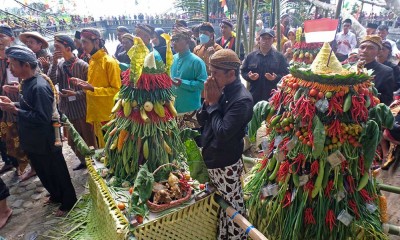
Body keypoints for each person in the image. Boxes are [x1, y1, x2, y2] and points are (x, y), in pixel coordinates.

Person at [0, 45, 77, 216]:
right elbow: (30, 107)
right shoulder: (26, 82)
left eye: (13, 64)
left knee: (56, 170)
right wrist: (13, 104)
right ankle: (56, 195)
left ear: (26, 65)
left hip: (46, 138)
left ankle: (69, 201)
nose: (10, 68)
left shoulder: (39, 87)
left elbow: (42, 118)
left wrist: (15, 110)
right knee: (43, 170)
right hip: (33, 138)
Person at [196, 49, 253, 240]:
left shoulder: (242, 100)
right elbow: (202, 120)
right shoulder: (218, 89)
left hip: (225, 162)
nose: (211, 77)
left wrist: (213, 104)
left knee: (233, 205)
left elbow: (222, 134)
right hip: (213, 158)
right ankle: (223, 235)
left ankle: (238, 237)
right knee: (223, 204)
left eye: (214, 73)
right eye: (210, 72)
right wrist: (207, 101)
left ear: (231, 74)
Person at [48, 34, 97, 170]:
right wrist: (53, 63)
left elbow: (91, 89)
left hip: (82, 109)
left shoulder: (83, 66)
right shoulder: (60, 64)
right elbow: (52, 82)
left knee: (88, 139)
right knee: (72, 141)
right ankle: (84, 161)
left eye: (58, 47)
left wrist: (76, 94)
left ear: (68, 48)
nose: (55, 50)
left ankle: (95, 164)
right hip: (67, 110)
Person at [70, 28, 121, 148]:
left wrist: (92, 88)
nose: (83, 46)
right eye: (82, 42)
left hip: (108, 115)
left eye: (85, 42)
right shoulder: (92, 61)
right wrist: (83, 83)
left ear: (96, 42)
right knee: (102, 149)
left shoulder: (109, 62)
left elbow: (116, 90)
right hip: (96, 113)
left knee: (112, 147)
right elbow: (94, 85)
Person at [241, 28, 289, 105]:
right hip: (254, 95)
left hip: (273, 96)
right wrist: (249, 77)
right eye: (263, 38)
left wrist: (276, 78)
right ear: (259, 39)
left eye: (269, 38)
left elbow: (286, 74)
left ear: (273, 40)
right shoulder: (251, 56)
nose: (266, 41)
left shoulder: (279, 57)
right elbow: (243, 71)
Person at [171, 28, 207, 128]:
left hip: (190, 109)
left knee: (191, 141)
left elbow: (202, 84)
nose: (174, 43)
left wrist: (183, 83)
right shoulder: (172, 59)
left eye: (177, 40)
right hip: (173, 109)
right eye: (173, 40)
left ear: (187, 41)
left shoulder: (197, 61)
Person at [358, 35, 394, 106]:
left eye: (371, 48)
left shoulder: (386, 71)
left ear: (379, 52)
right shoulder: (348, 68)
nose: (365, 51)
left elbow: (387, 99)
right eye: (362, 47)